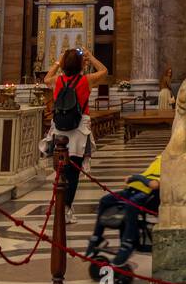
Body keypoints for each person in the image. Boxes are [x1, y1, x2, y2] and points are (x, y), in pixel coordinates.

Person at [40, 46, 108, 221]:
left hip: (60, 129)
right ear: (80, 64)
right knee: (73, 172)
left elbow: (46, 78)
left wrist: (58, 61)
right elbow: (104, 71)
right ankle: (67, 208)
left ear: (64, 65)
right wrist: (91, 56)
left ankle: (62, 206)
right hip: (78, 129)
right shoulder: (86, 81)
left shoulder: (58, 80)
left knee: (61, 171)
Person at [85, 155, 161, 270]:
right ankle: (97, 237)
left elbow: (154, 185)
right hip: (133, 190)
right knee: (105, 201)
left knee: (131, 205)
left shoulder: (170, 162)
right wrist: (136, 178)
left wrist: (136, 177)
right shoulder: (160, 158)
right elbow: (147, 176)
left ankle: (128, 242)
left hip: (147, 195)